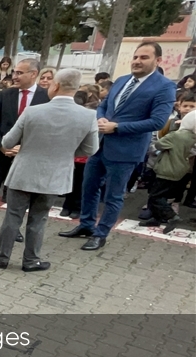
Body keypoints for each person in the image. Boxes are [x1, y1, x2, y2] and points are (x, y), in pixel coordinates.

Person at [59, 42, 177, 251]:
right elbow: (104, 104)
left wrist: (117, 127)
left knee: (113, 195)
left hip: (125, 151)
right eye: (136, 56)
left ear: (157, 60)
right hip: (100, 145)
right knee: (89, 188)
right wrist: (101, 118)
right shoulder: (122, 80)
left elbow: (157, 121)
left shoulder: (164, 86)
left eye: (144, 57)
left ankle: (101, 233)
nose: (137, 61)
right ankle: (86, 225)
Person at [0, 68, 99, 271]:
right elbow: (91, 149)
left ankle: (2, 256)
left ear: (56, 85)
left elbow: (8, 141)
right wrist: (66, 151)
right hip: (54, 175)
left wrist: (27, 144)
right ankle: (31, 260)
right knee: (39, 219)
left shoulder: (33, 111)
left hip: (23, 172)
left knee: (13, 216)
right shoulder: (88, 116)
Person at [0, 58, 50, 241]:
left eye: (19, 73)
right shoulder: (4, 94)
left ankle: (13, 227)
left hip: (25, 156)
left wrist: (22, 148)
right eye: (14, 72)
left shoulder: (46, 97)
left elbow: (46, 128)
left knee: (19, 195)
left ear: (33, 74)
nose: (14, 76)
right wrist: (1, 146)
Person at [143, 111, 195, 232]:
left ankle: (171, 216)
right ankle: (157, 218)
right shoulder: (192, 137)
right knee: (163, 194)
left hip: (167, 169)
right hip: (180, 169)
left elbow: (159, 144)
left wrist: (173, 129)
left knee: (155, 196)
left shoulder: (175, 135)